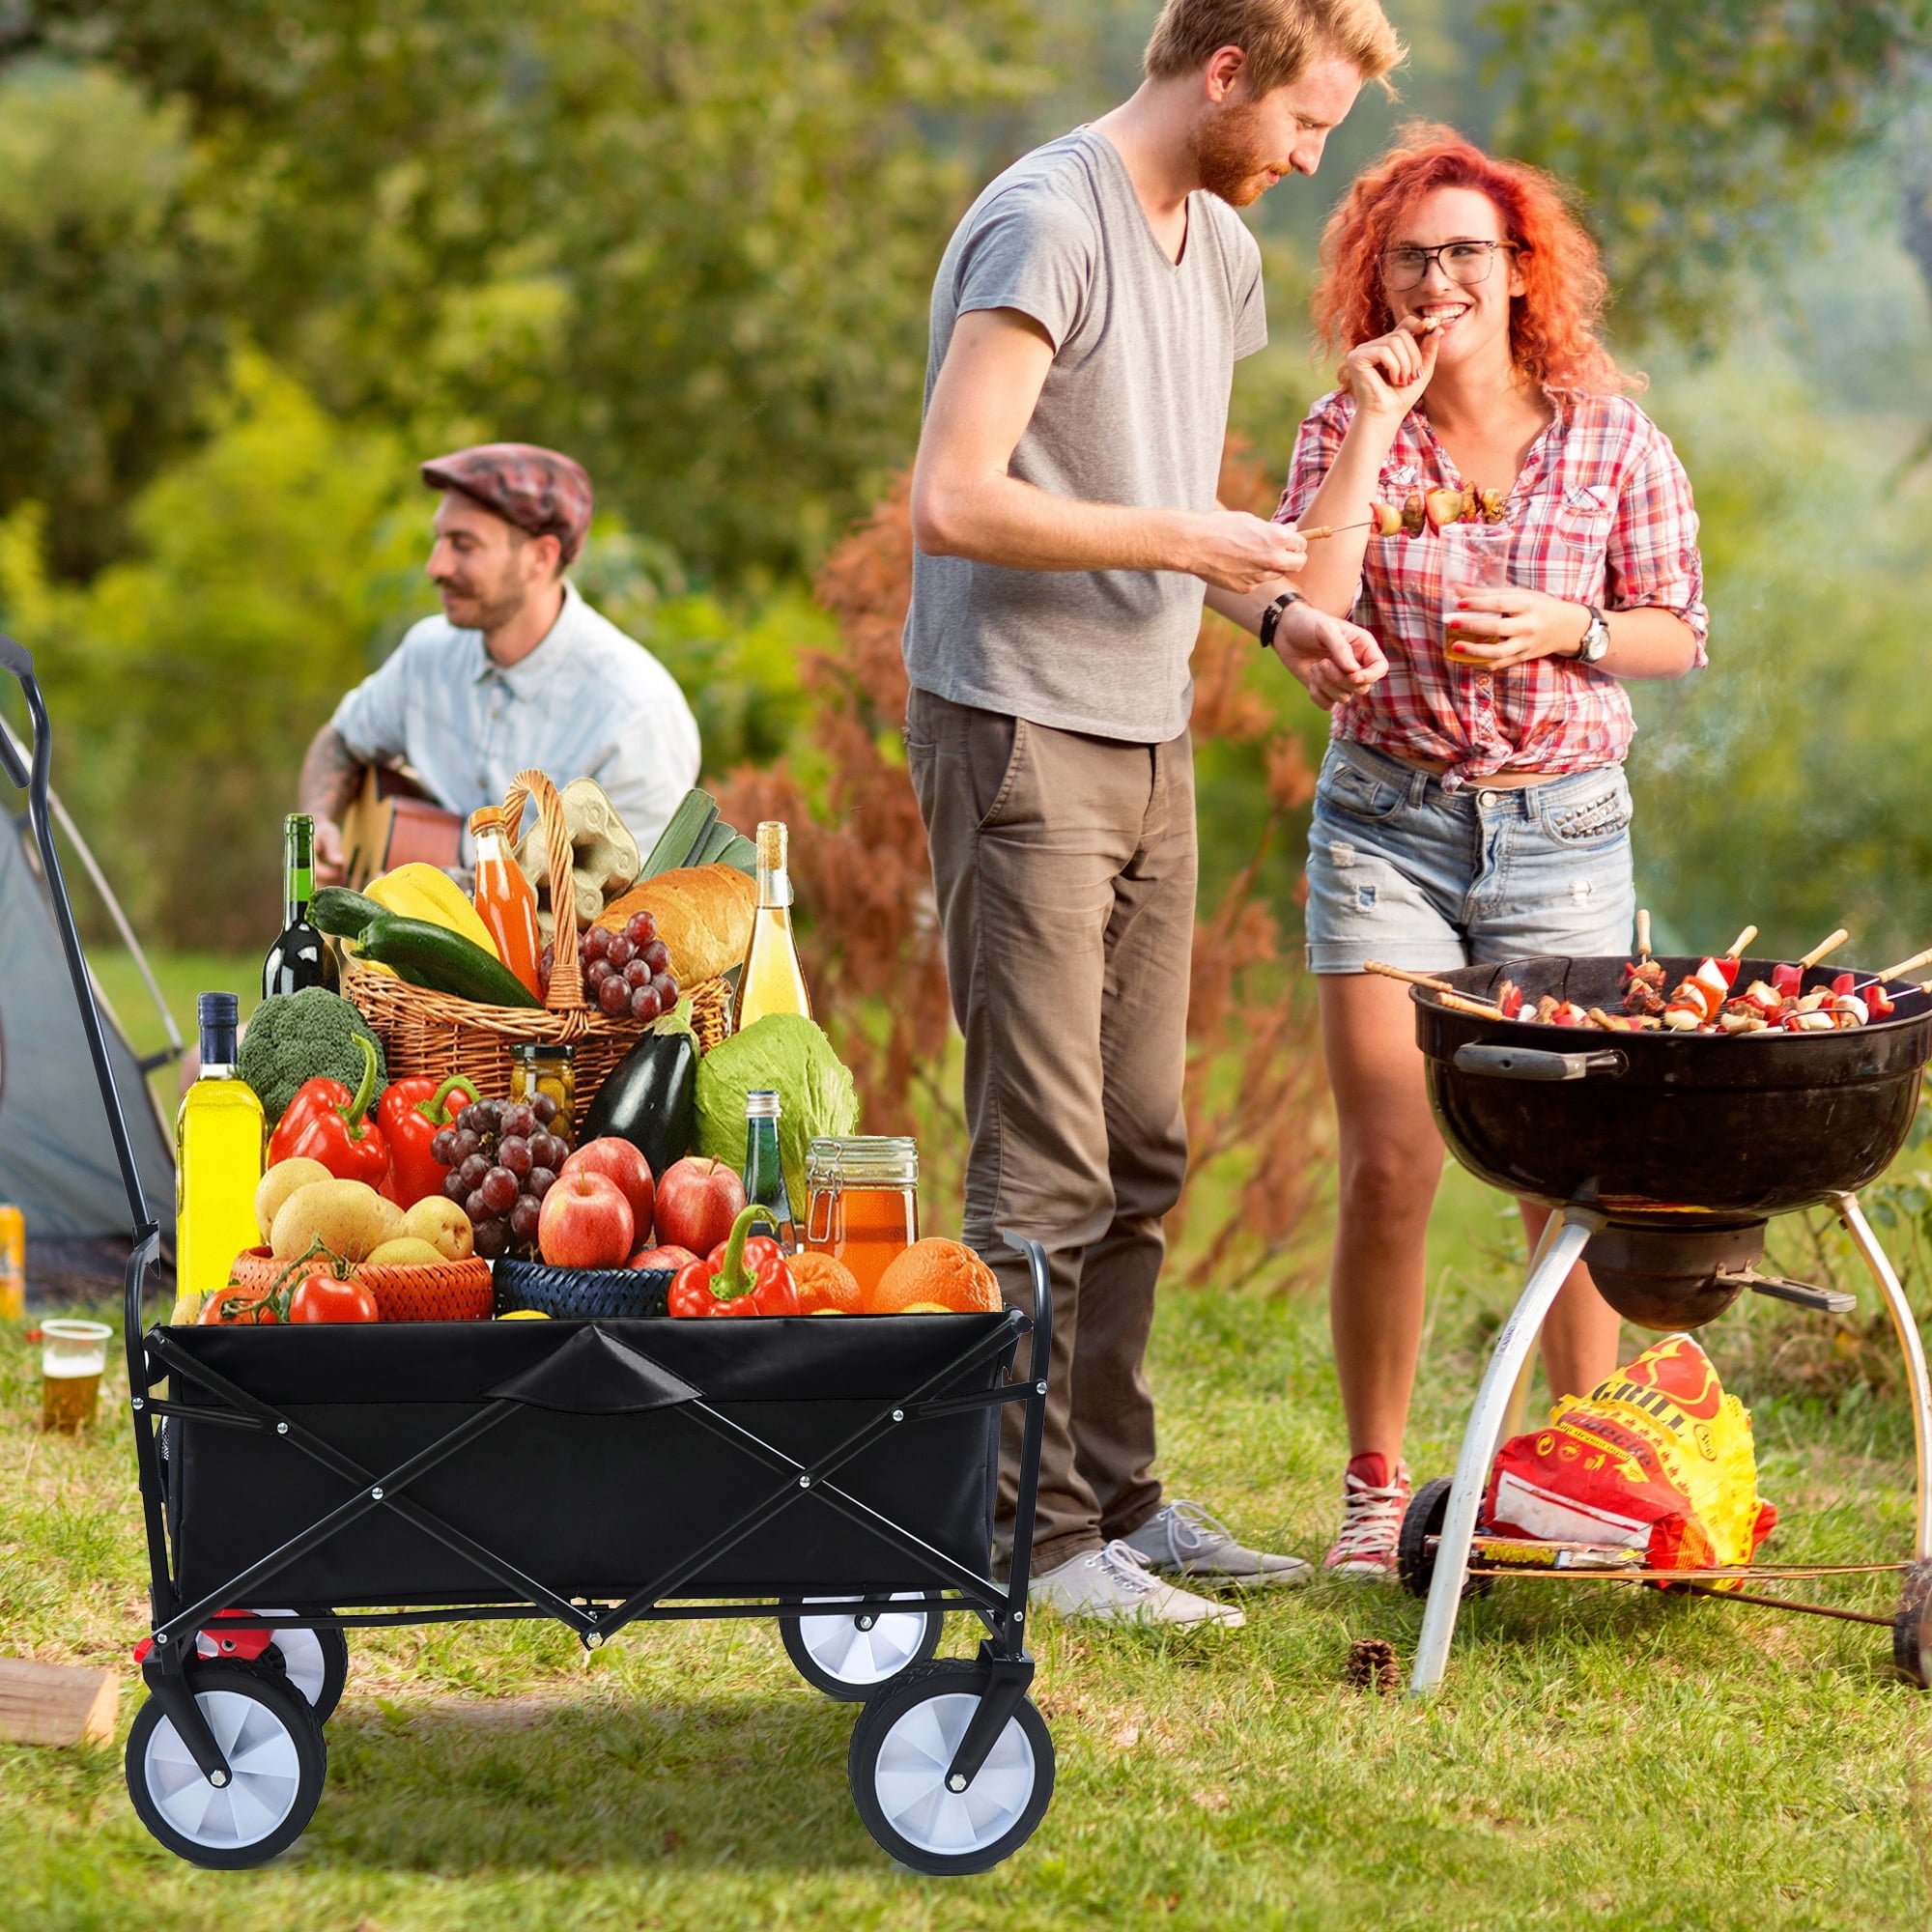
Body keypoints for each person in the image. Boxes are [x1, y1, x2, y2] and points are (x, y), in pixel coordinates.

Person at [903, 0, 1403, 1627]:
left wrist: (1273, 614)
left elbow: (1162, 489)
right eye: (1307, 125)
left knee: (1140, 1145)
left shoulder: (1223, 248)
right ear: (1225, 70)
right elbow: (956, 496)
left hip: (1146, 728)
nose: (1314, 162)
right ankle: (1027, 1540)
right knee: (1040, 1157)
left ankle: (1115, 1501)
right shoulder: (1049, 220)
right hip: (1018, 728)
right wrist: (1197, 549)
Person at [1267, 126, 1707, 1577]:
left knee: (1563, 1178)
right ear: (1375, 278)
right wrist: (1379, 426)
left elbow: (1675, 631)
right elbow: (1309, 612)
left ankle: (1572, 1484)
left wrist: (1568, 627)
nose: (1441, 276)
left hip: (1564, 828)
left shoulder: (1612, 436)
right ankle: (1376, 1490)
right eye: (1412, 256)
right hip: (1386, 819)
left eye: (1468, 251)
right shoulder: (1346, 426)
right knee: (1392, 1161)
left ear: (1520, 273)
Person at [300, 442, 700, 882]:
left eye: (464, 545)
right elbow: (341, 739)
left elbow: (627, 911)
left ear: (541, 557)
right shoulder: (428, 653)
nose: (436, 566)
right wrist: (320, 820)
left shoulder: (637, 711)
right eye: (440, 539)